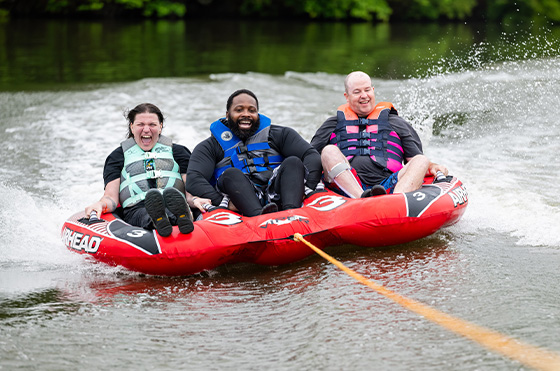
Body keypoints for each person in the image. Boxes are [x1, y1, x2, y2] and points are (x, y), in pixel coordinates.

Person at [310, 71, 448, 198]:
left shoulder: (396, 122)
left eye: (367, 90)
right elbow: (308, 158)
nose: (364, 95)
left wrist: (433, 166)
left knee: (421, 160)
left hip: (389, 185)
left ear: (373, 90)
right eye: (357, 92)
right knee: (328, 151)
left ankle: (395, 203)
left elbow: (415, 162)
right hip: (344, 188)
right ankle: (362, 198)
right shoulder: (332, 124)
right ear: (347, 96)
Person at [185, 89, 322, 217]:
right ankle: (258, 215)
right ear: (228, 115)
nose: (246, 114)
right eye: (239, 110)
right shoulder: (210, 146)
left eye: (252, 110)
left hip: (278, 194)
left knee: (293, 162)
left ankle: (292, 213)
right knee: (231, 174)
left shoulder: (280, 135)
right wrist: (222, 202)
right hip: (239, 202)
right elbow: (194, 179)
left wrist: (305, 188)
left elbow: (311, 156)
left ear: (258, 114)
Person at [85, 103, 210, 237]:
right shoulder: (117, 156)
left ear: (160, 126)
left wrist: (196, 199)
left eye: (152, 124)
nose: (146, 129)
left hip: (174, 203)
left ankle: (181, 216)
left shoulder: (179, 152)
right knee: (145, 214)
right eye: (140, 124)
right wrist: (101, 204)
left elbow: (189, 191)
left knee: (172, 210)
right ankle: (162, 220)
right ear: (132, 127)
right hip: (137, 209)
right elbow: (111, 197)